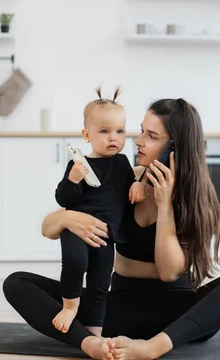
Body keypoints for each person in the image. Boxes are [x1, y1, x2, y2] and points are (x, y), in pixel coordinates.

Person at [3, 98, 220, 360]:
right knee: (17, 283)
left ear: (174, 149)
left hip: (179, 315)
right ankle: (91, 344)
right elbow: (47, 228)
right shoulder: (128, 180)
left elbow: (168, 272)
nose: (138, 141)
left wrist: (165, 204)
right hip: (118, 309)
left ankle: (152, 347)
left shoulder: (197, 200)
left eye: (151, 136)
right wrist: (69, 218)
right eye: (141, 130)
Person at [52, 87, 145, 335]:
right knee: (76, 261)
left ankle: (94, 331)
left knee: (101, 282)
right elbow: (63, 199)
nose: (113, 137)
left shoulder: (123, 163)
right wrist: (73, 179)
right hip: (77, 229)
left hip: (106, 234)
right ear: (87, 135)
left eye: (119, 131)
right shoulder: (79, 164)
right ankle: (70, 306)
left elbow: (126, 192)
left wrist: (136, 186)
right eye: (104, 131)